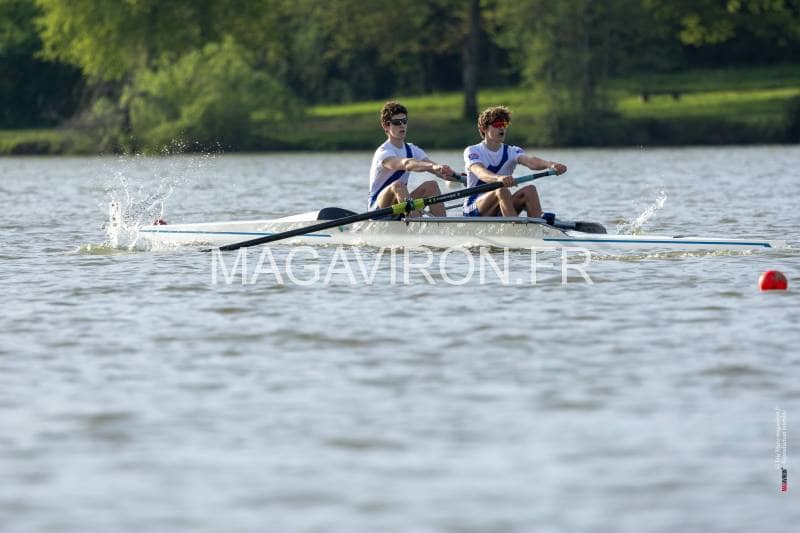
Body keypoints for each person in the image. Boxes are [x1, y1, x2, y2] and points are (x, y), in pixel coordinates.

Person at [462, 106, 567, 217]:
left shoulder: (512, 151)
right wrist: (499, 178)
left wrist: (550, 165)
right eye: (497, 124)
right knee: (501, 191)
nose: (502, 128)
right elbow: (480, 172)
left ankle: (538, 223)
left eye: (504, 124)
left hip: (500, 204)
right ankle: (513, 223)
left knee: (530, 190)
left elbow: (531, 161)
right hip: (473, 207)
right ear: (484, 129)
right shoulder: (473, 151)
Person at [368, 101, 457, 217]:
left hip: (401, 205)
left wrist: (457, 176)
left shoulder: (412, 149)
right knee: (398, 185)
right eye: (396, 122)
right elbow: (406, 164)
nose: (402, 125)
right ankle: (416, 222)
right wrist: (432, 166)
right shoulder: (383, 152)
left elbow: (438, 171)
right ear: (386, 126)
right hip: (378, 209)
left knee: (432, 186)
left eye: (404, 121)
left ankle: (442, 225)